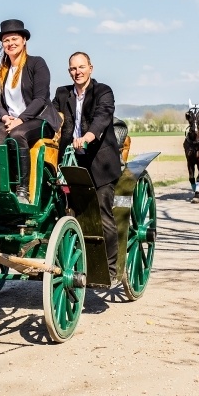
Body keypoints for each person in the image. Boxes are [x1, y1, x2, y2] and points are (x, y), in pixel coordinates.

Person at [52, 52, 122, 283]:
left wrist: (88, 136)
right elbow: (52, 118)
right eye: (73, 68)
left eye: (81, 67)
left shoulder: (103, 91)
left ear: (91, 68)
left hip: (99, 162)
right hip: (70, 163)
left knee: (102, 213)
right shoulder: (62, 93)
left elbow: (102, 116)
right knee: (63, 209)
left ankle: (110, 268)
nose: (77, 72)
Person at [0, 19, 61, 204]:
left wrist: (20, 120)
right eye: (6, 40)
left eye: (15, 39)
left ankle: (22, 190)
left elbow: (40, 98)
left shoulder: (37, 64)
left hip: (39, 119)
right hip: (10, 120)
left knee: (18, 135)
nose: (10, 43)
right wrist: (4, 116)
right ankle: (0, 189)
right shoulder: (1, 71)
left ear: (24, 40)